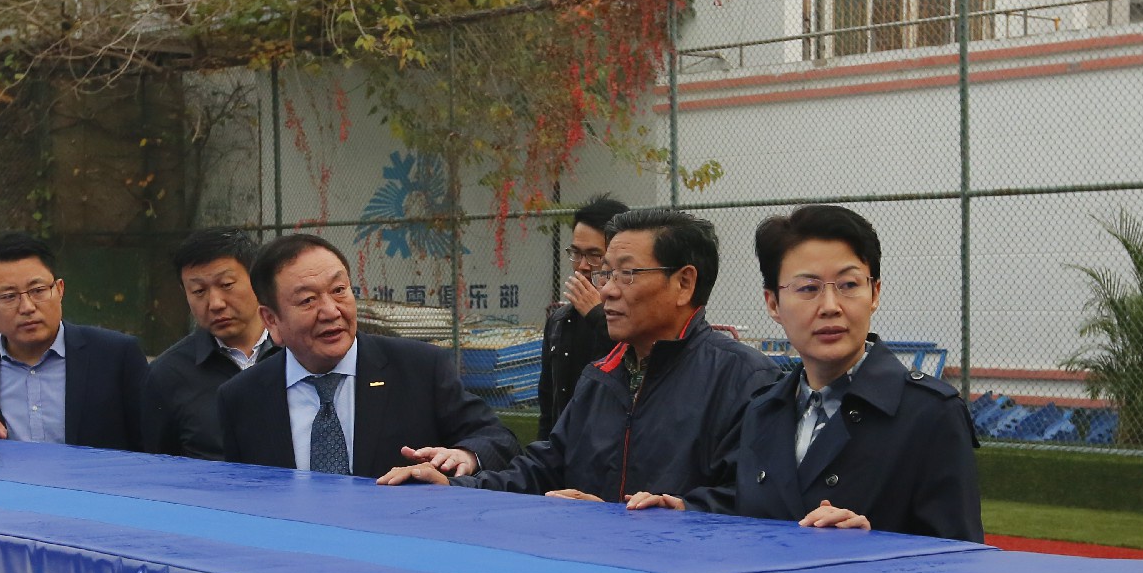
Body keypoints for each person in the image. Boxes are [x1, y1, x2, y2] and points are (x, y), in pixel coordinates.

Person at [629, 204, 982, 540]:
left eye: (849, 285)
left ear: (874, 293)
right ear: (773, 303)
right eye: (808, 288)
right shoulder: (763, 410)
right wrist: (686, 511)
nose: (830, 306)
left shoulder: (930, 414)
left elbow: (958, 560)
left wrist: (872, 545)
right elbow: (755, 511)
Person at [382, 208, 775, 500]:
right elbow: (542, 470)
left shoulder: (744, 379)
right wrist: (453, 486)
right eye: (607, 273)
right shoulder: (601, 376)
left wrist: (617, 518)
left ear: (685, 283)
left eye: (627, 274)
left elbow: (755, 503)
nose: (607, 290)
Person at [214, 234, 520, 477]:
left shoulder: (420, 369)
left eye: (339, 290)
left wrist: (464, 456)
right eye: (307, 300)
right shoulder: (243, 398)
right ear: (271, 321)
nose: (331, 311)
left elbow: (498, 440)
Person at [0, 233, 149, 450]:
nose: (27, 307)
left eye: (38, 291)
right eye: (8, 296)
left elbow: (151, 446)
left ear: (59, 289)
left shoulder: (116, 356)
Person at [141, 228, 276, 460]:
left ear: (256, 279)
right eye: (199, 291)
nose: (215, 303)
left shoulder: (300, 353)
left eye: (226, 284)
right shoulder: (167, 374)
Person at [538, 195, 628, 439]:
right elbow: (548, 405)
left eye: (595, 255)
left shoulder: (637, 321)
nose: (582, 266)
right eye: (576, 253)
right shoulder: (559, 321)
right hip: (564, 451)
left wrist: (598, 315)